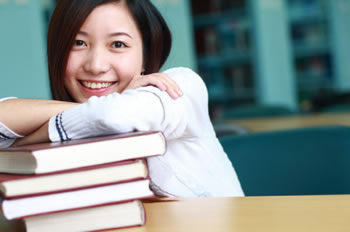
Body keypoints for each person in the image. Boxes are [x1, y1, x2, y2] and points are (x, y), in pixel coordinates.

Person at [0, 0, 244, 197]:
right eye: (78, 42)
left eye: (117, 44)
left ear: (146, 55)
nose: (96, 66)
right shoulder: (70, 118)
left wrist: (21, 145)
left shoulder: (180, 87)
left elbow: (112, 116)